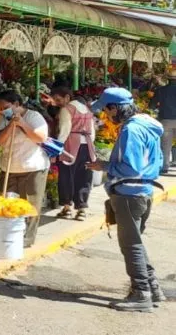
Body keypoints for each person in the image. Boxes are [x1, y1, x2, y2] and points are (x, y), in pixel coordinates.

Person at [90, 87, 165, 312]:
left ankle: (141, 294)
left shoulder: (131, 130)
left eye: (107, 110)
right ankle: (152, 288)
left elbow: (129, 167)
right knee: (136, 244)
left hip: (128, 194)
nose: (106, 115)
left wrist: (104, 165)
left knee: (130, 245)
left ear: (115, 108)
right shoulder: (148, 126)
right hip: (144, 192)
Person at [0, 90, 50, 248]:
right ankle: (9, 233)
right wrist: (11, 125)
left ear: (16, 104)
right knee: (8, 203)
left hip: (32, 166)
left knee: (30, 205)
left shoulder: (34, 117)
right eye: (1, 108)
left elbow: (40, 138)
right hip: (10, 167)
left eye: (5, 107)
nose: (2, 110)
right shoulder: (4, 119)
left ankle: (27, 239)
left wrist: (22, 124)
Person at [50, 85, 97, 220]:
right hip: (87, 146)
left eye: (58, 100)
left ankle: (67, 208)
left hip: (70, 146)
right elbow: (92, 132)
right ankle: (82, 209)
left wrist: (56, 148)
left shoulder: (67, 110)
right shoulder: (87, 110)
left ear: (67, 97)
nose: (57, 103)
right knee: (84, 177)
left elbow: (65, 130)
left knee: (66, 176)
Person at [149, 69, 176, 175]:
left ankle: (165, 167)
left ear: (168, 80)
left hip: (166, 120)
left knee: (165, 145)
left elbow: (152, 105)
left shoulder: (160, 90)